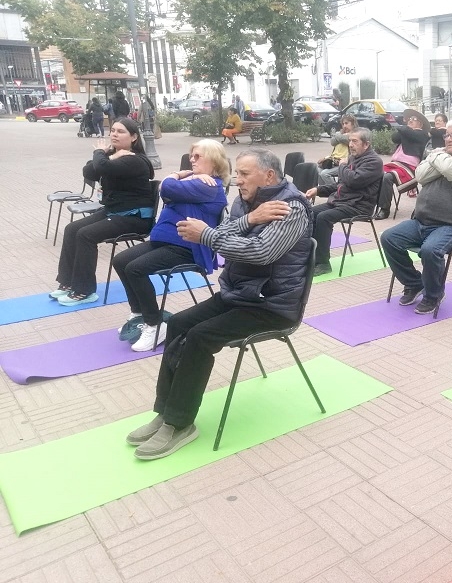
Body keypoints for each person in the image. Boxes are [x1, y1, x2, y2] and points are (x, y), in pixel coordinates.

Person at [125, 147, 313, 460]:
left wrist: (210, 237)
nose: (237, 180)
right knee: (178, 323)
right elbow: (226, 231)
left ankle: (180, 423)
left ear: (269, 176)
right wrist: (250, 218)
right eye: (237, 173)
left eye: (244, 174)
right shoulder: (247, 201)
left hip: (272, 305)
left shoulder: (289, 207)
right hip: (240, 294)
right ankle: (166, 412)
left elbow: (260, 252)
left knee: (199, 337)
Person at [112, 139, 229, 351]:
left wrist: (176, 175)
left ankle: (154, 324)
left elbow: (166, 187)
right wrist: (183, 178)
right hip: (166, 241)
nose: (192, 160)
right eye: (191, 155)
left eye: (197, 156)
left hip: (187, 248)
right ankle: (138, 315)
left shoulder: (210, 186)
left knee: (135, 269)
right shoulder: (196, 181)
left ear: (213, 160)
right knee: (120, 261)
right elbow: (165, 192)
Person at [381, 118, 452, 315]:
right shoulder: (444, 155)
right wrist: (442, 156)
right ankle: (414, 283)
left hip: (451, 225)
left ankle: (433, 294)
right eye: (446, 134)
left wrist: (437, 156)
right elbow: (421, 175)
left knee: (430, 251)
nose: (448, 139)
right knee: (389, 238)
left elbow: (450, 170)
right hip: (421, 221)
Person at [51, 117, 155, 306]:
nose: (114, 134)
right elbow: (89, 172)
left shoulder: (136, 161)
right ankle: (67, 283)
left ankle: (84, 291)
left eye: (120, 131)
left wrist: (100, 152)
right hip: (114, 211)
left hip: (135, 217)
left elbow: (101, 166)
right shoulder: (114, 157)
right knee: (72, 229)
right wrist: (108, 154)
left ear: (133, 137)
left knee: (85, 235)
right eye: (113, 130)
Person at [306, 128, 383, 275]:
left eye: (355, 141)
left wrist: (342, 165)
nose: (351, 145)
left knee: (323, 218)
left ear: (366, 144)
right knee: (311, 212)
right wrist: (318, 190)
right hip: (343, 201)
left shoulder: (374, 161)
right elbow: (341, 184)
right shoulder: (354, 158)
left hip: (359, 205)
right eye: (350, 141)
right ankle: (311, 257)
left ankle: (323, 264)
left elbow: (352, 180)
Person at [375, 109, 431, 220]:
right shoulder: (407, 132)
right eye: (409, 119)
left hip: (409, 167)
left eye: (413, 119)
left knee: (387, 177)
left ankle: (384, 210)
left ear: (420, 123)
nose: (410, 121)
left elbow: (407, 132)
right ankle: (372, 204)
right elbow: (394, 138)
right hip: (395, 164)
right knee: (375, 173)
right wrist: (402, 127)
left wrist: (398, 125)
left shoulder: (423, 134)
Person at [318, 114, 357, 185]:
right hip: (333, 161)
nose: (344, 126)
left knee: (324, 174)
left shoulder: (356, 135)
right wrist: (325, 158)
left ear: (353, 124)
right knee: (318, 168)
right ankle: (323, 190)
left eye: (346, 123)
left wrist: (338, 136)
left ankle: (336, 190)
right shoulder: (341, 134)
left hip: (345, 163)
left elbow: (347, 140)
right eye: (343, 124)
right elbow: (332, 142)